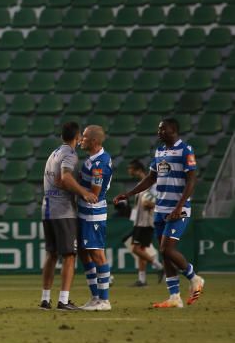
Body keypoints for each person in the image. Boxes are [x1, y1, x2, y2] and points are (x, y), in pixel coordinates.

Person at [113, 118, 204, 308]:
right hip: (160, 209)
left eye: (162, 129)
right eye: (158, 129)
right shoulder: (160, 151)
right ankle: (174, 297)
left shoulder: (185, 150)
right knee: (165, 254)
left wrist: (179, 207)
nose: (159, 132)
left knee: (166, 249)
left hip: (179, 209)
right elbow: (151, 178)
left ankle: (194, 278)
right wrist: (129, 193)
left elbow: (192, 181)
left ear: (173, 130)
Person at [39, 122, 97, 311]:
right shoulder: (70, 154)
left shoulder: (54, 152)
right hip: (63, 211)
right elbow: (64, 177)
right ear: (77, 137)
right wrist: (83, 192)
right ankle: (64, 300)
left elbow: (57, 179)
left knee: (51, 254)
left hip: (47, 208)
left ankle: (45, 299)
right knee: (70, 255)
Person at [76, 125, 114, 311]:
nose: (81, 140)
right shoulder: (92, 160)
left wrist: (72, 186)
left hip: (93, 214)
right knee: (84, 253)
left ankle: (104, 300)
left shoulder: (100, 164)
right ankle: (95, 297)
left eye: (84, 137)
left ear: (94, 141)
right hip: (84, 212)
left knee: (97, 254)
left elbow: (94, 193)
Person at [124, 160, 163, 287]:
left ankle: (159, 266)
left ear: (138, 169)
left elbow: (155, 202)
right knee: (141, 249)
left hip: (146, 222)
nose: (129, 171)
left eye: (131, 168)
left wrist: (149, 203)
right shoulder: (142, 184)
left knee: (135, 248)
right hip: (140, 221)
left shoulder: (152, 185)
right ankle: (142, 280)